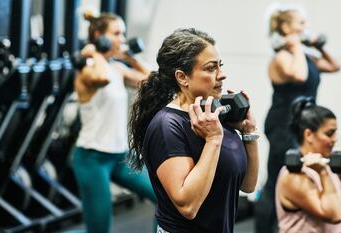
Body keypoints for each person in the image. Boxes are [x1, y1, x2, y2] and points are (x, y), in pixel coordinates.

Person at [127, 28, 259, 233]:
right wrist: (214, 139)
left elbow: (247, 185)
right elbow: (188, 206)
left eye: (220, 66)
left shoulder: (213, 115)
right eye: (210, 68)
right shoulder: (167, 126)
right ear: (182, 77)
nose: (221, 75)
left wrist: (249, 134)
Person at [254, 4, 341, 233]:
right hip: (282, 125)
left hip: (303, 125)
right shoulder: (281, 58)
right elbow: (299, 75)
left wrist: (319, 47)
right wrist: (297, 48)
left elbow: (334, 66)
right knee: (276, 180)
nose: (306, 27)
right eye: (301, 23)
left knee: (299, 176)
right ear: (285, 27)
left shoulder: (307, 57)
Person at [71, 12, 156, 233]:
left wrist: (129, 57)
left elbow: (153, 80)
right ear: (100, 36)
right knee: (100, 228)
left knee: (166, 199)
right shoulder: (86, 69)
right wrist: (95, 51)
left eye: (123, 33)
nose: (122, 39)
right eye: (117, 34)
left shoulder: (117, 68)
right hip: (92, 158)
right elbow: (102, 79)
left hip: (121, 155)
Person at [275, 97, 341, 232]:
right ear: (309, 135)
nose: (335, 139)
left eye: (335, 132)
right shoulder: (294, 175)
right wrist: (323, 173)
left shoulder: (329, 167)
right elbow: (336, 215)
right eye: (329, 133)